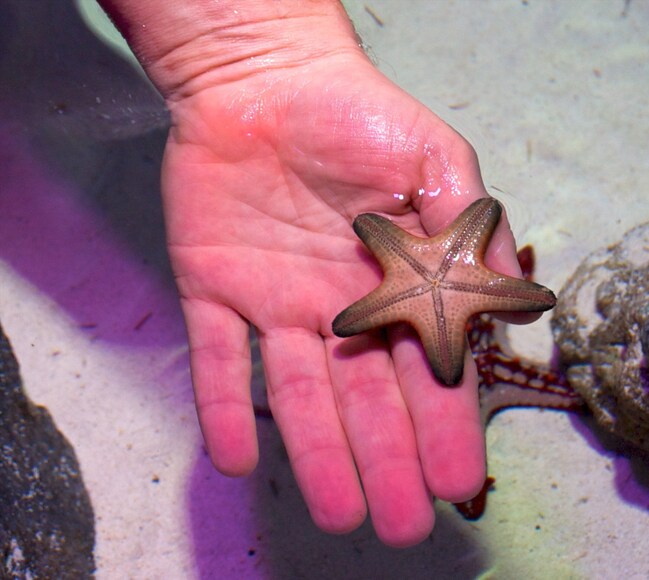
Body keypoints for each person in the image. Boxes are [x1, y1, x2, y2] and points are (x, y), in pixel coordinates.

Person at [96, 0, 536, 548]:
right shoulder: (390, 265)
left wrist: (255, 55)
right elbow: (390, 238)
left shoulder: (409, 268)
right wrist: (247, 59)